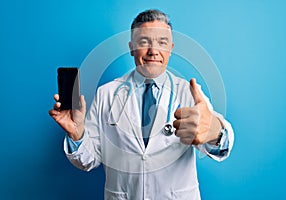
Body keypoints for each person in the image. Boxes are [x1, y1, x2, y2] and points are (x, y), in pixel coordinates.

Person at [49, 9, 234, 200]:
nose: (153, 51)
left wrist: (214, 131)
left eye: (162, 42)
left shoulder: (189, 93)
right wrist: (76, 134)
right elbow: (88, 160)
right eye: (144, 42)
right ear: (131, 47)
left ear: (171, 48)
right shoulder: (107, 94)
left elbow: (219, 144)